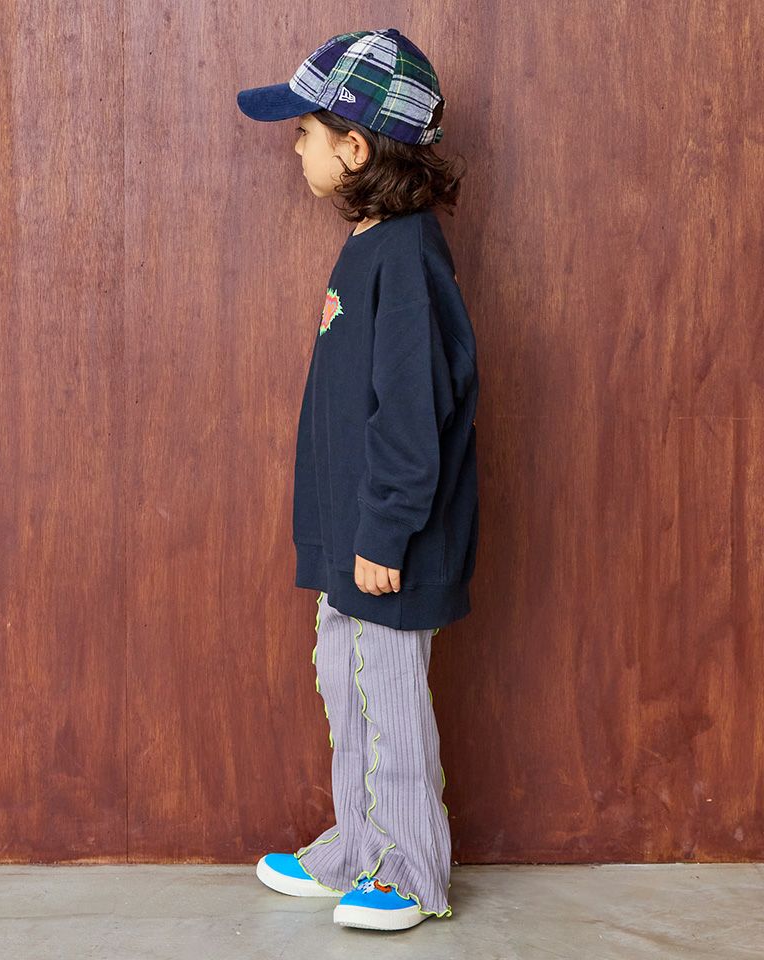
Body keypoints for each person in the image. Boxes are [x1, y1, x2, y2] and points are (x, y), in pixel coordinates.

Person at [236, 27, 479, 932]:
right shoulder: (373, 245)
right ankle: (359, 844)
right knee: (349, 686)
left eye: (303, 132)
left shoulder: (408, 258)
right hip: (356, 534)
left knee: (389, 695)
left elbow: (412, 411)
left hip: (389, 539)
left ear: (355, 147)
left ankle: (411, 869)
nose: (293, 148)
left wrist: (384, 531)